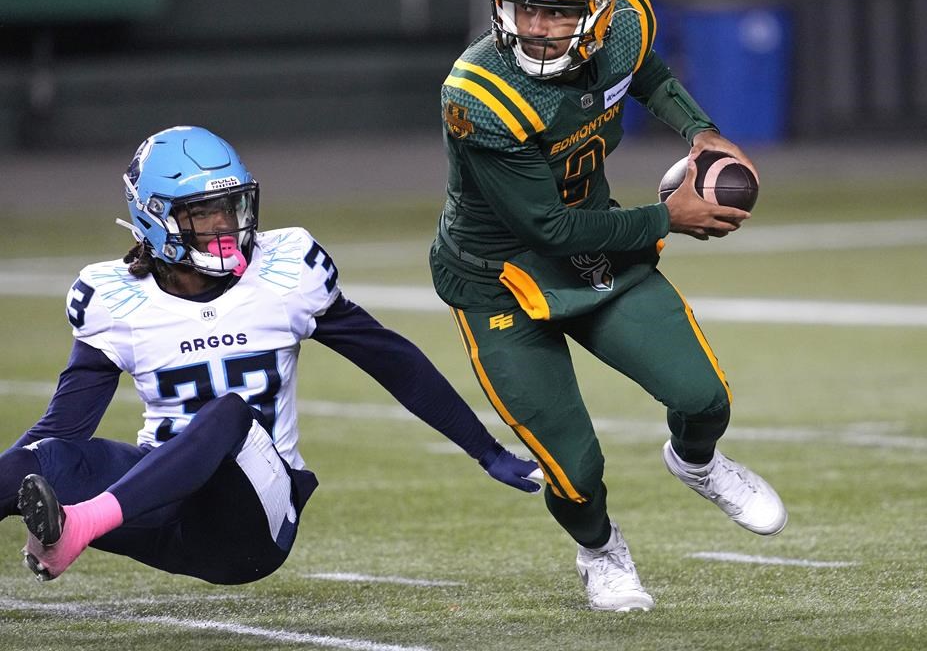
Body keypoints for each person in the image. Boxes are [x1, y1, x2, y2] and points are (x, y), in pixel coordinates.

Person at [429, 0, 787, 612]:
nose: (534, 26)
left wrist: (701, 131)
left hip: (593, 251)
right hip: (498, 279)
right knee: (574, 469)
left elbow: (644, 72)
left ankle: (696, 461)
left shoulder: (623, 24)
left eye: (557, 12)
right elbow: (546, 225)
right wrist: (667, 219)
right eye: (523, 6)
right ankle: (599, 550)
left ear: (597, 9)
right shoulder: (477, 95)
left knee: (701, 397)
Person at [1, 125, 540, 585]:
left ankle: (80, 526)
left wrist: (485, 450)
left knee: (229, 413)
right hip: (159, 512)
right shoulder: (115, 299)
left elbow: (389, 358)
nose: (224, 226)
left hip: (253, 522)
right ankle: (80, 522)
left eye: (230, 207)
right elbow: (63, 428)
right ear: (154, 218)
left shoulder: (286, 271)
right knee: (42, 459)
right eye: (202, 214)